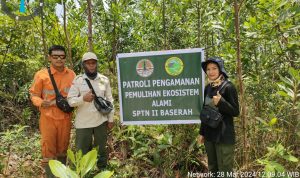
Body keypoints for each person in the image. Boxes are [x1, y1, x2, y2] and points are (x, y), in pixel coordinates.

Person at [29, 45, 76, 177]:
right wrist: (40, 102)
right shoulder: (41, 75)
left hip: (65, 118)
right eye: (55, 57)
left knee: (62, 150)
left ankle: (61, 174)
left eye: (62, 56)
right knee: (49, 150)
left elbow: (76, 95)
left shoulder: (71, 74)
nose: (59, 59)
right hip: (48, 118)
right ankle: (50, 175)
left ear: (65, 58)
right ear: (49, 58)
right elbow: (34, 94)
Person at [67, 52, 114, 170]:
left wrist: (111, 119)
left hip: (100, 121)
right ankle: (83, 173)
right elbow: (70, 100)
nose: (91, 66)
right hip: (83, 124)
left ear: (96, 64)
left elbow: (110, 100)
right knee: (82, 152)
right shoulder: (78, 80)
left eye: (93, 63)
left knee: (101, 150)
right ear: (84, 65)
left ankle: (102, 171)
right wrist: (83, 99)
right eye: (88, 63)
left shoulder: (104, 80)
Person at [198, 57, 239, 177]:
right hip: (209, 136)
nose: (211, 72)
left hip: (224, 136)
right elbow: (205, 113)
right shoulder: (207, 88)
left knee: (225, 170)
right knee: (213, 168)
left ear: (220, 69)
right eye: (208, 69)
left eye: (214, 68)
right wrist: (202, 133)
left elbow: (236, 111)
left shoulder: (228, 87)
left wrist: (221, 103)